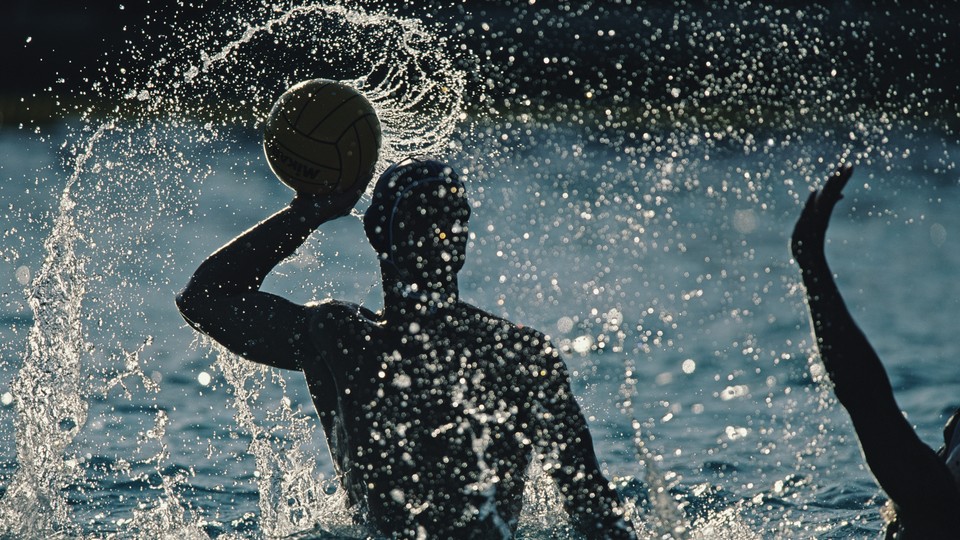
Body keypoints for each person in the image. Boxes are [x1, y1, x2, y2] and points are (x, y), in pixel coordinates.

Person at [176, 157, 636, 539]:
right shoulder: (346, 339)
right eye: (424, 222)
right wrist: (310, 209)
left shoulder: (512, 354)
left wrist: (313, 211)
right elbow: (204, 300)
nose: (437, 239)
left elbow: (594, 512)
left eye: (446, 225)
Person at [791, 163, 960, 539]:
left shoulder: (936, 503)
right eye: (949, 439)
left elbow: (865, 398)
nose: (942, 450)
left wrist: (812, 265)